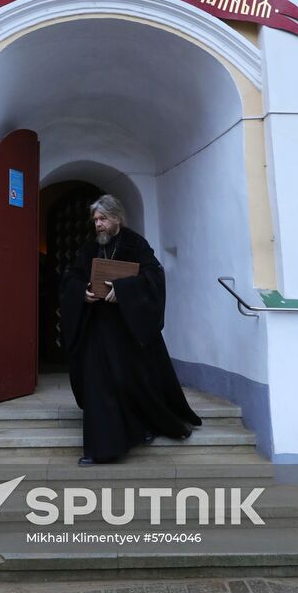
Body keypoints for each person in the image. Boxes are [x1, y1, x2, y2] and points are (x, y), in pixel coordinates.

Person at [60, 195, 202, 465]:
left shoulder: (136, 244)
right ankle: (101, 449)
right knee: (97, 385)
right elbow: (72, 276)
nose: (98, 225)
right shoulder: (90, 247)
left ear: (117, 219)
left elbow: (153, 276)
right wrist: (84, 292)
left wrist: (123, 291)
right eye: (96, 220)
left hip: (128, 330)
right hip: (97, 327)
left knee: (129, 382)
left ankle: (142, 427)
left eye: (103, 219)